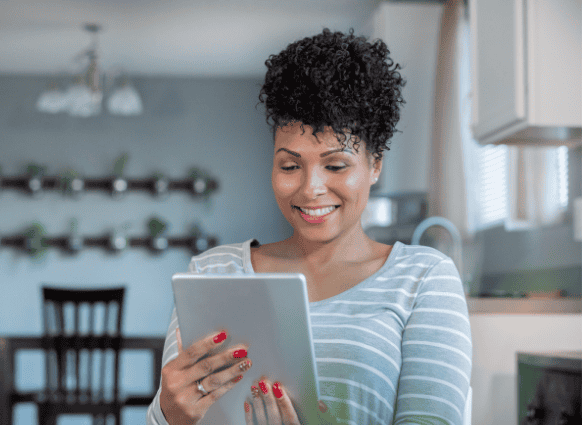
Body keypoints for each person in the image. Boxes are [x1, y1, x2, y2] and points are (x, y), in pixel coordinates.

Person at [146, 28, 472, 425]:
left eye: (335, 165)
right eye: (290, 165)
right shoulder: (212, 272)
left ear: (375, 164)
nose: (310, 188)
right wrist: (169, 414)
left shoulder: (423, 280)